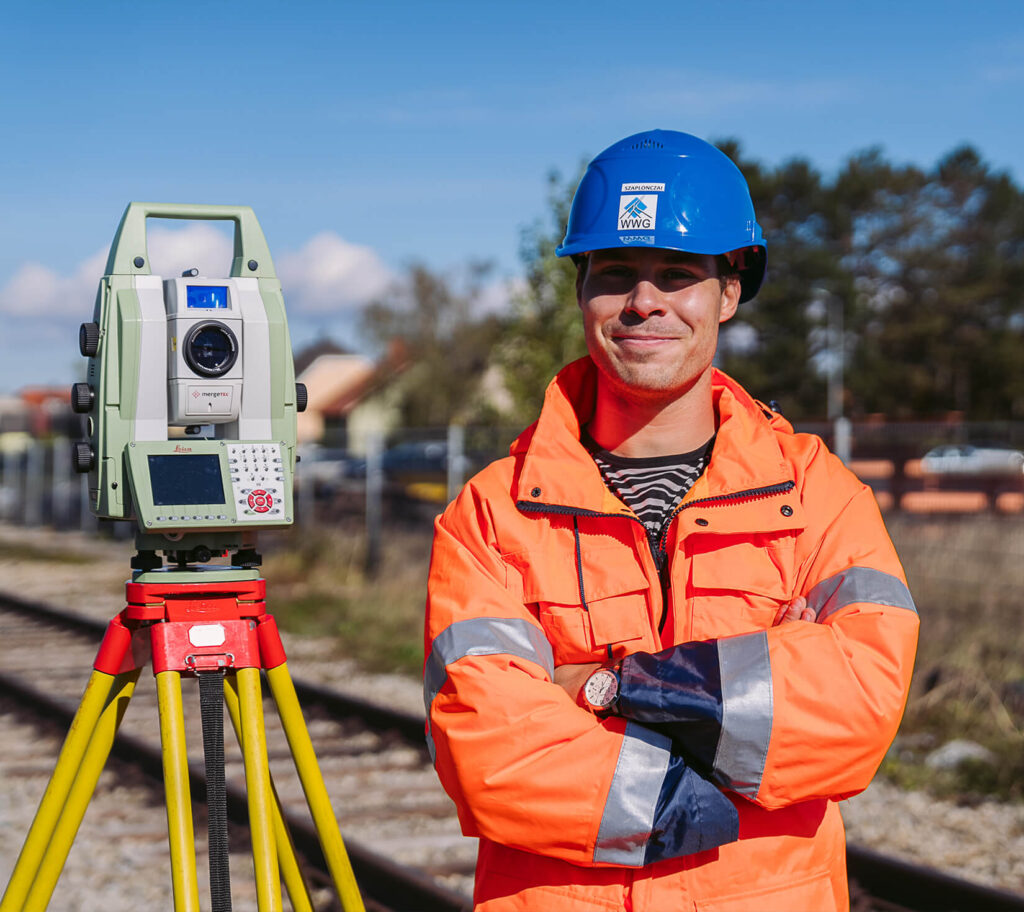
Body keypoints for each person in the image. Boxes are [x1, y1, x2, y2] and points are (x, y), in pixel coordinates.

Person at [423, 129, 919, 912]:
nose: (644, 302)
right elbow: (489, 752)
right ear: (582, 292)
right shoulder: (491, 514)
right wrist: (744, 722)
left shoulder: (818, 495)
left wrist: (605, 687)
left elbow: (856, 709)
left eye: (678, 275)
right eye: (616, 274)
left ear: (729, 291)